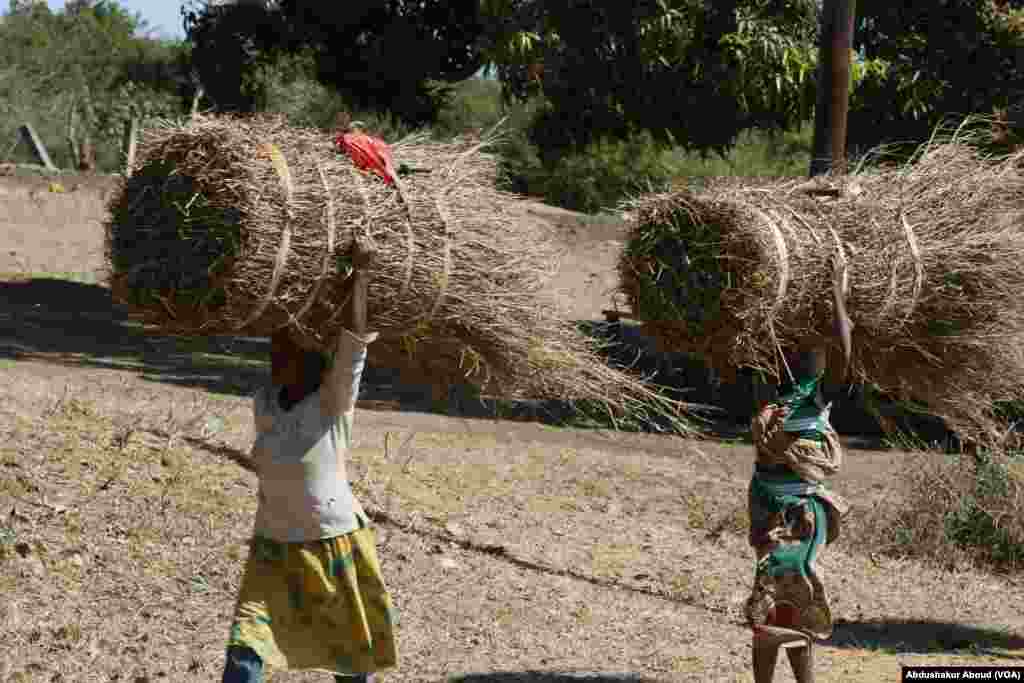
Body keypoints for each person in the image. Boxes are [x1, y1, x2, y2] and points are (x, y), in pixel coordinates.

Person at [221, 238, 398, 683]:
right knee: (246, 650)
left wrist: (362, 274)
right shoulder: (267, 404)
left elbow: (354, 345)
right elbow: (278, 326)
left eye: (287, 350)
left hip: (330, 543)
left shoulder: (332, 403)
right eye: (275, 349)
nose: (276, 356)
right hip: (273, 545)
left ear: (312, 361)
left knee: (349, 663)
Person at [745, 274, 854, 683]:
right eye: (793, 345)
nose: (799, 351)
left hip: (799, 515)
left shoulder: (816, 395)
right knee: (770, 599)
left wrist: (835, 290)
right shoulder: (770, 392)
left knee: (793, 595)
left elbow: (844, 348)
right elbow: (750, 341)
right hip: (768, 507)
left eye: (810, 346)